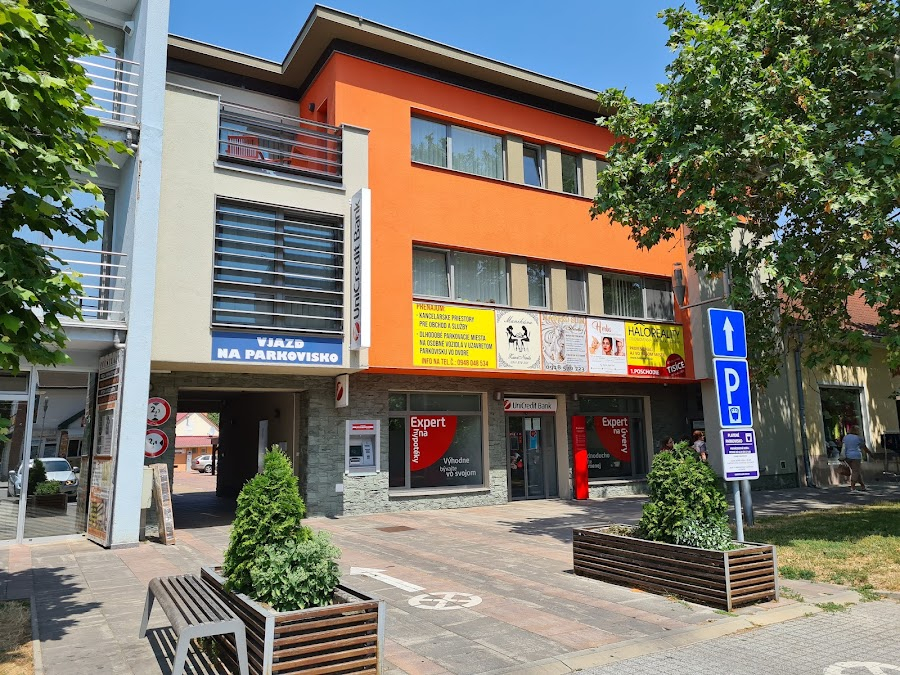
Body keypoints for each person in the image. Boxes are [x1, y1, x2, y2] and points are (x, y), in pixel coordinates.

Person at [841, 426, 868, 491]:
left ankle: (863, 485)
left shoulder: (845, 437)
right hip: (856, 456)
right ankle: (852, 486)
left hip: (847, 456)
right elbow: (864, 448)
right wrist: (871, 454)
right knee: (855, 471)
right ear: (856, 431)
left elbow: (844, 446)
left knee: (856, 471)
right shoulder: (858, 438)